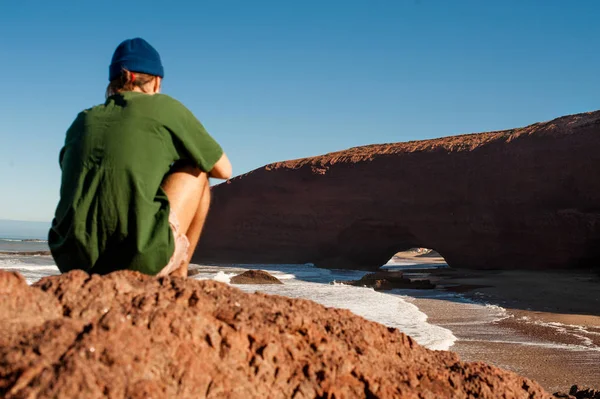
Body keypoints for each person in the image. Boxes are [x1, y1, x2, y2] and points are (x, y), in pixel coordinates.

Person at [49, 38, 231, 278]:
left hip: (72, 261)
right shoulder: (166, 108)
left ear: (113, 83)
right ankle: (179, 275)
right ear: (156, 81)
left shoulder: (82, 120)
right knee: (197, 168)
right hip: (141, 261)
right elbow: (224, 170)